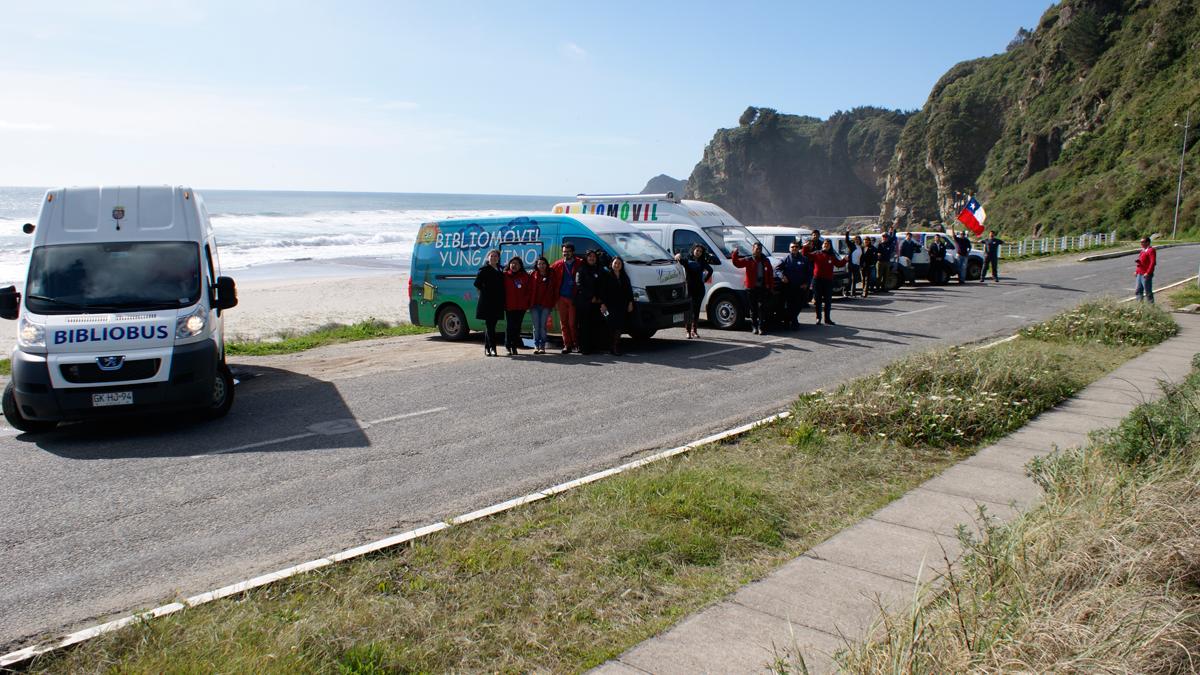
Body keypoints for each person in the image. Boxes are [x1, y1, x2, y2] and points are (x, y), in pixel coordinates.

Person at [731, 242, 774, 334]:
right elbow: (737, 263)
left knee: (761, 308)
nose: (758, 250)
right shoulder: (748, 260)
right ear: (753, 249)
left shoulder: (766, 260)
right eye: (756, 249)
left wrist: (770, 287)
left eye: (759, 249)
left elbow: (770, 274)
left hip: (763, 288)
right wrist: (735, 253)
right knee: (753, 308)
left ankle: (761, 327)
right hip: (751, 288)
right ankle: (754, 327)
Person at [803, 238, 848, 325]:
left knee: (828, 301)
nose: (825, 245)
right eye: (824, 244)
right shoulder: (817, 253)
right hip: (817, 280)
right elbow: (806, 254)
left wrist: (845, 260)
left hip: (828, 280)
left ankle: (827, 319)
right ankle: (818, 318)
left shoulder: (832, 255)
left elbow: (839, 264)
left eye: (827, 244)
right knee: (818, 300)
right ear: (822, 245)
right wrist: (805, 246)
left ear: (830, 246)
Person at [551, 243, 584, 354]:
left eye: (568, 251)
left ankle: (576, 344)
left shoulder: (580, 262)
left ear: (573, 252)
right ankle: (567, 345)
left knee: (572, 323)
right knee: (563, 323)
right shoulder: (558, 264)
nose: (566, 253)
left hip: (573, 298)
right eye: (564, 251)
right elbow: (546, 271)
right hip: (561, 298)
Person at [472, 249, 505, 357]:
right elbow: (477, 284)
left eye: (495, 256)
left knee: (491, 326)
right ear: (488, 257)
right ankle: (493, 348)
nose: (493, 258)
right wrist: (484, 293)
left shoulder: (500, 269)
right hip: (487, 302)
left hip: (497, 302)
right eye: (491, 256)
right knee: (490, 326)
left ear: (498, 258)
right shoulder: (484, 270)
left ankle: (487, 348)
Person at [676, 243, 713, 338]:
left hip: (700, 289)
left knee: (696, 310)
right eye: (697, 250)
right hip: (689, 288)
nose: (698, 252)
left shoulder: (702, 262)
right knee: (689, 310)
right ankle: (687, 331)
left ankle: (694, 330)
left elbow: (710, 270)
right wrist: (677, 256)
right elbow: (679, 260)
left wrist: (704, 279)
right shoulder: (687, 260)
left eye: (700, 251)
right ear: (693, 250)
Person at [601, 256, 635, 355]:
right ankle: (610, 346)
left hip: (622, 305)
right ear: (611, 264)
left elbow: (629, 291)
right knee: (610, 326)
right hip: (609, 306)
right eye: (615, 263)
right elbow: (602, 291)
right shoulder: (607, 275)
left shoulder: (624, 276)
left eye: (619, 263)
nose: (617, 265)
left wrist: (630, 303)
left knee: (619, 326)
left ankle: (615, 346)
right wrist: (603, 304)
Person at [574, 249, 606, 353]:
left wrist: (599, 297)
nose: (592, 258)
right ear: (586, 258)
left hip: (597, 303)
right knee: (584, 326)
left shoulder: (600, 269)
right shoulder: (581, 269)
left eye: (594, 257)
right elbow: (579, 285)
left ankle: (595, 347)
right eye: (590, 256)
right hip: (584, 302)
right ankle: (584, 348)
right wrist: (590, 296)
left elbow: (603, 285)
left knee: (596, 325)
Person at [775, 239, 809, 329]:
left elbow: (809, 273)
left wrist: (806, 283)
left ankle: (793, 319)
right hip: (788, 287)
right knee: (789, 305)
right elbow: (777, 269)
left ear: (799, 248)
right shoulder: (785, 259)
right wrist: (782, 276)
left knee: (799, 305)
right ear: (789, 249)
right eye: (792, 247)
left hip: (800, 287)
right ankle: (792, 321)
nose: (794, 248)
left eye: (796, 247)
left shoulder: (804, 259)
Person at [502, 257, 531, 356]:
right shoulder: (504, 275)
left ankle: (514, 346)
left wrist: (526, 302)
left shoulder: (525, 276)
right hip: (509, 306)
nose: (514, 265)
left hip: (521, 307)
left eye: (517, 264)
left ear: (520, 266)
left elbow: (528, 291)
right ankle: (508, 345)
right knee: (510, 326)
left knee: (517, 327)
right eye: (512, 263)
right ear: (509, 265)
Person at [529, 256, 557, 354]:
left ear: (546, 264)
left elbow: (554, 290)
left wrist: (554, 302)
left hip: (546, 305)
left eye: (543, 264)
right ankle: (536, 346)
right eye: (539, 264)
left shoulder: (551, 275)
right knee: (536, 326)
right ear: (536, 265)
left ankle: (542, 346)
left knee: (543, 326)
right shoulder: (532, 274)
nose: (541, 266)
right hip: (534, 305)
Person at [1135, 236, 1156, 303]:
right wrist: (1136, 271)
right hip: (1140, 273)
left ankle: (1151, 307)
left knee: (1147, 291)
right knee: (1138, 290)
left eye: (1143, 242)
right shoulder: (1142, 251)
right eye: (1141, 242)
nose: (1141, 243)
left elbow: (1152, 262)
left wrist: (1148, 272)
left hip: (1146, 274)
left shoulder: (1151, 250)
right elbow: (1140, 262)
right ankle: (1139, 306)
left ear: (1148, 242)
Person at [844, 231, 862, 297]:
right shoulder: (852, 246)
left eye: (858, 239)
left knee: (855, 280)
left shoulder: (860, 247)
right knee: (849, 279)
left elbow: (861, 257)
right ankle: (846, 291)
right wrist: (847, 233)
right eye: (856, 239)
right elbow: (846, 241)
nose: (857, 240)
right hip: (851, 264)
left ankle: (853, 292)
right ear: (854, 240)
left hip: (857, 265)